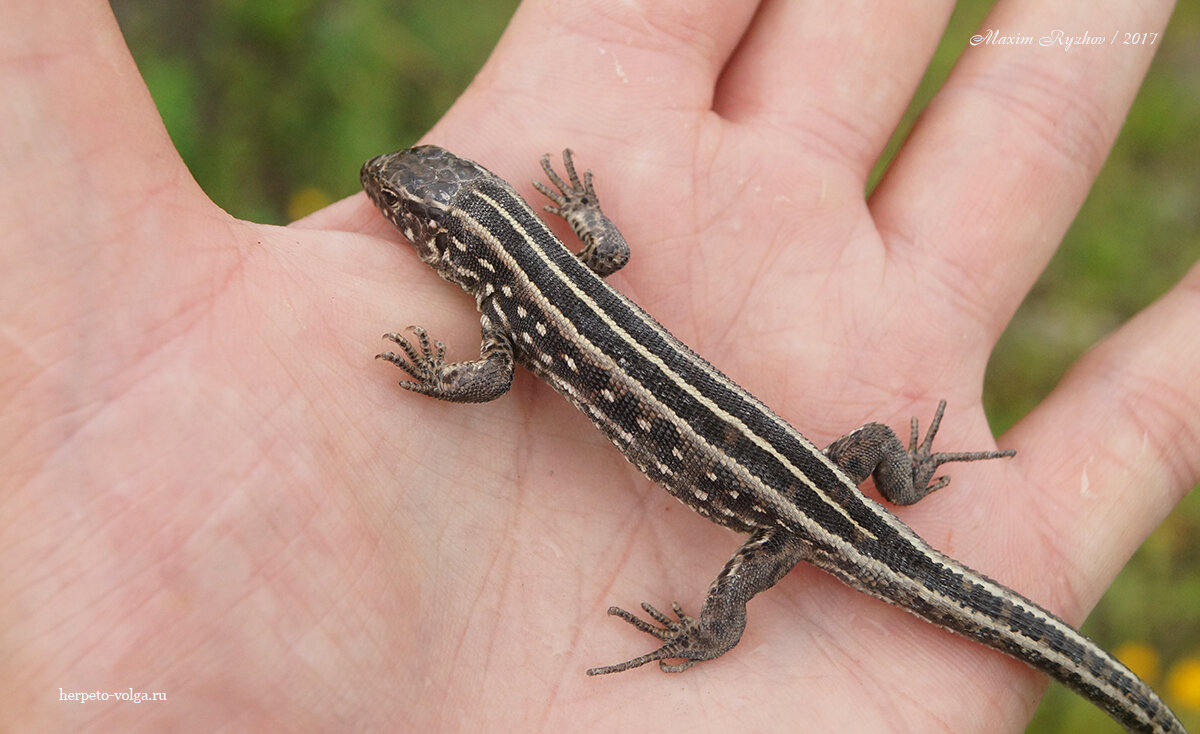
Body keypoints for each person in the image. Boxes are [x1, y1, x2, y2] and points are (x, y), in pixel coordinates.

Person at [3, 0, 1194, 730]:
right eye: (399, 194)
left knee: (740, 582)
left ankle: (715, 632)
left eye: (406, 193)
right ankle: (910, 478)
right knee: (873, 457)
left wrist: (435, 375)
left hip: (792, 523)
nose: (391, 192)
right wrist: (573, 206)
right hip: (826, 485)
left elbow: (492, 379)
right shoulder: (542, 273)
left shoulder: (512, 311)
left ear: (453, 233)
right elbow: (603, 255)